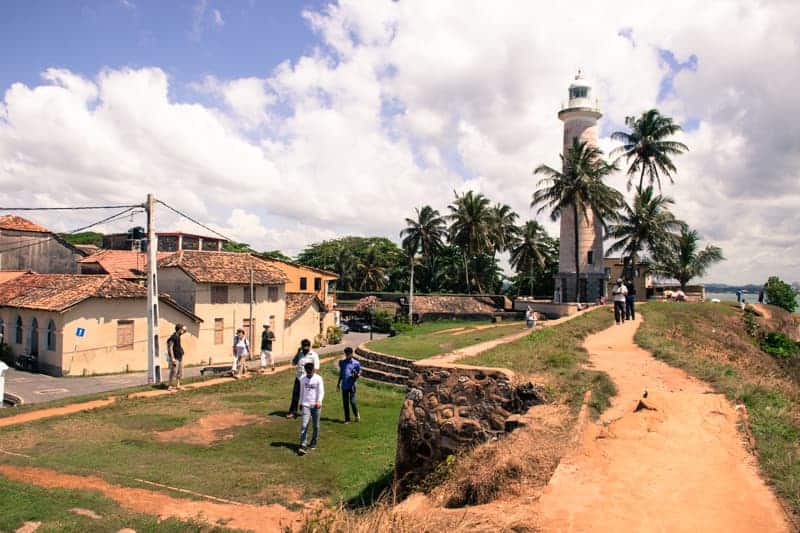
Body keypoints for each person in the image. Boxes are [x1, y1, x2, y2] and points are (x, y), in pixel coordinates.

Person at [287, 339, 320, 418]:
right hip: (299, 378)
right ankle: (293, 412)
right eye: (303, 347)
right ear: (301, 346)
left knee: (308, 396)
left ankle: (310, 412)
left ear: (309, 346)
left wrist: (311, 378)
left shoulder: (313, 355)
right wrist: (298, 353)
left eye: (306, 347)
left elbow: (316, 367)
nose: (305, 349)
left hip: (308, 378)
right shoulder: (300, 354)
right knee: (295, 395)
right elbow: (294, 363)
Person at [298, 361, 324, 455]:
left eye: (311, 371)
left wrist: (319, 401)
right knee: (304, 425)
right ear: (306, 371)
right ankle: (303, 445)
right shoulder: (302, 379)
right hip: (306, 405)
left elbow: (321, 391)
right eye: (308, 372)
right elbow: (301, 392)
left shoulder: (318, 379)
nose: (310, 374)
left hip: (316, 405)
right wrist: (300, 403)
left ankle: (313, 442)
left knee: (316, 426)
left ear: (313, 370)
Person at [337, 347, 361, 423]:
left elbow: (359, 373)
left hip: (352, 385)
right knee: (345, 403)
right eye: (346, 354)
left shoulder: (356, 363)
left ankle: (356, 415)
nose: (347, 355)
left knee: (352, 401)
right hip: (344, 385)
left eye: (348, 354)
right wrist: (338, 383)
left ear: (352, 354)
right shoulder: (342, 363)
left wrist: (356, 375)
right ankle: (347, 419)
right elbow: (341, 374)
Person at [166, 324, 187, 390]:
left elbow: (185, 330)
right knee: (173, 371)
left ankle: (178, 385)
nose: (183, 331)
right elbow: (170, 348)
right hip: (175, 357)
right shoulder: (173, 337)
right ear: (179, 329)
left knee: (179, 371)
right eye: (182, 330)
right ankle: (169, 385)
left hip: (179, 356)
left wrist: (184, 328)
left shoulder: (178, 335)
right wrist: (172, 358)